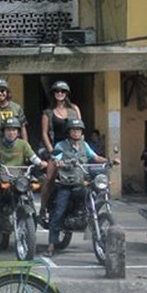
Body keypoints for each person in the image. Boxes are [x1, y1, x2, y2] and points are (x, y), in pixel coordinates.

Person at [45, 118, 109, 257]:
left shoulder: (84, 145)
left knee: (90, 196)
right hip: (66, 184)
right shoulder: (61, 145)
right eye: (74, 130)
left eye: (78, 130)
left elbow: (95, 157)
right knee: (59, 211)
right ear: (69, 132)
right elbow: (56, 158)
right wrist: (59, 162)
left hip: (80, 183)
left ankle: (87, 221)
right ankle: (51, 245)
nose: (76, 132)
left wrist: (109, 160)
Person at [0, 118, 47, 242]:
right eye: (8, 130)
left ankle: (32, 218)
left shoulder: (23, 144)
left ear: (18, 132)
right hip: (3, 178)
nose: (11, 133)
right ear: (4, 131)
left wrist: (40, 163)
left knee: (29, 195)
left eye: (14, 130)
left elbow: (33, 156)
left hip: (19, 178)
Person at [40, 80, 84, 216]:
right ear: (53, 94)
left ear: (66, 94)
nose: (60, 93)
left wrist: (81, 147)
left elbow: (80, 128)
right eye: (57, 91)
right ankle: (43, 208)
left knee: (83, 175)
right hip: (57, 149)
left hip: (72, 148)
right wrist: (52, 151)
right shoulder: (48, 113)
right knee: (49, 178)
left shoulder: (74, 109)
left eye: (63, 91)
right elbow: (44, 133)